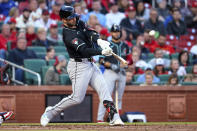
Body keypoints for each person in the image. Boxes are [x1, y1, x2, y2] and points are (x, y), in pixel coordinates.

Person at [40, 5, 124, 126]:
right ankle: (50, 112)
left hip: (90, 63)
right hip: (78, 66)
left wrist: (99, 40)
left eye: (74, 17)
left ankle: (114, 117)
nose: (73, 20)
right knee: (77, 98)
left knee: (104, 90)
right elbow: (83, 50)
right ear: (63, 20)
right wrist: (100, 51)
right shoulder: (68, 34)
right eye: (70, 18)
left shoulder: (78, 23)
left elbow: (89, 32)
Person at [97, 24, 130, 122]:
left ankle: (116, 118)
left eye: (118, 31)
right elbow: (101, 60)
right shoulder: (106, 44)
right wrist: (111, 65)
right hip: (109, 72)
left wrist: (127, 64)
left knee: (119, 98)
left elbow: (129, 59)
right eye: (114, 32)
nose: (116, 33)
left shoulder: (125, 45)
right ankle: (100, 120)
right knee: (105, 97)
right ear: (111, 33)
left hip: (122, 72)